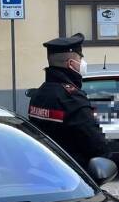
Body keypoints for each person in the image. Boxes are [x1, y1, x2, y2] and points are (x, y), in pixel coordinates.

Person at [28, 33, 111, 170]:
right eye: (80, 58)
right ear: (71, 64)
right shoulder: (72, 99)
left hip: (45, 167)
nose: (83, 63)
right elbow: (97, 146)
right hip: (72, 174)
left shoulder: (39, 94)